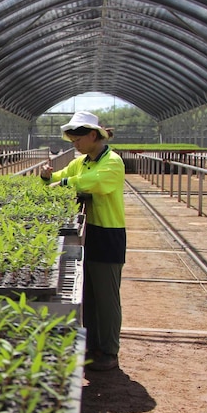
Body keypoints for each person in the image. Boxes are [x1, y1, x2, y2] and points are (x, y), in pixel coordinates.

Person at [40, 111, 126, 371]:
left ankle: (109, 351)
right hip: (86, 232)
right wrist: (47, 176)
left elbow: (94, 183)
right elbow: (59, 177)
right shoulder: (82, 162)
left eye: (78, 138)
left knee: (106, 296)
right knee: (87, 293)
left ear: (93, 135)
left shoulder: (112, 161)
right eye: (71, 139)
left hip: (107, 232)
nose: (74, 143)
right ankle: (91, 346)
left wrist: (63, 181)